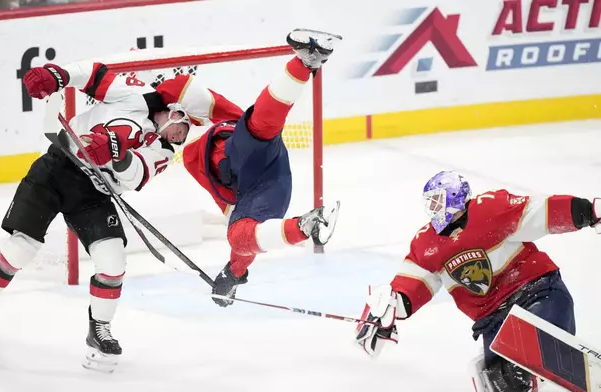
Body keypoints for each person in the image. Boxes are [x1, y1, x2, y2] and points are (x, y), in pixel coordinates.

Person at [0, 59, 191, 372]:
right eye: (182, 125)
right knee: (21, 248)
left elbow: (136, 177)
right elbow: (91, 74)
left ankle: (99, 331)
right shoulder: (133, 97)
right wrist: (57, 75)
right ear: (174, 108)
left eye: (183, 135)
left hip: (93, 192)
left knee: (113, 260)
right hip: (57, 169)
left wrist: (116, 154)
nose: (179, 135)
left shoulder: (163, 150)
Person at [354, 170, 601, 391]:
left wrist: (586, 211)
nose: (433, 208)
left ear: (455, 197)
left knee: (534, 351)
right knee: (501, 380)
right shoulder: (426, 244)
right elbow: (412, 284)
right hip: (494, 320)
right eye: (429, 202)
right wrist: (386, 310)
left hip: (537, 292)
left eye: (437, 200)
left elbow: (540, 213)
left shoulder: (490, 209)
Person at [153, 29, 342, 307]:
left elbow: (177, 87)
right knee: (237, 237)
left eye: (160, 125)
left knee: (260, 126)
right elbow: (235, 218)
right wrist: (233, 273)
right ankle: (307, 225)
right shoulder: (190, 160)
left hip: (251, 152)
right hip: (261, 189)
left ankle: (306, 61)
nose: (165, 136)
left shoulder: (198, 107)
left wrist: (140, 95)